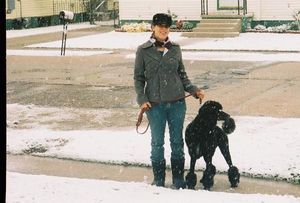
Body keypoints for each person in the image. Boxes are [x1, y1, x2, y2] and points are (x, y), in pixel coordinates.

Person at [134, 13, 205, 189]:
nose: (163, 29)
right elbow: (138, 78)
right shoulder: (143, 51)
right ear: (153, 28)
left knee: (177, 142)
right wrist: (142, 99)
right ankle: (158, 180)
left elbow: (182, 75)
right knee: (157, 143)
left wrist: (193, 90)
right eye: (160, 26)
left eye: (166, 27)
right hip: (155, 105)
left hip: (176, 104)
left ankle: (178, 180)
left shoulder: (175, 49)